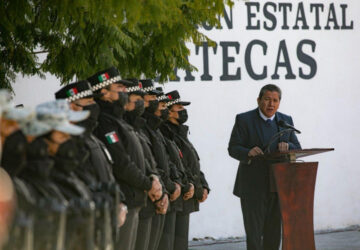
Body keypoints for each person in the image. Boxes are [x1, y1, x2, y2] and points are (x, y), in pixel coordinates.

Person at [88, 67, 162, 250]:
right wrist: (148, 184)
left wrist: (153, 178)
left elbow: (140, 156)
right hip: (124, 199)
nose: (124, 92)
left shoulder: (119, 120)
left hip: (135, 198)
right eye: (119, 88)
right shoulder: (106, 122)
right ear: (104, 93)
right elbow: (121, 163)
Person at [227, 84, 301, 250]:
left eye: (275, 100)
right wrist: (248, 152)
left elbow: (297, 146)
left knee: (274, 233)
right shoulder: (244, 120)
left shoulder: (285, 121)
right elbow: (233, 148)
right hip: (253, 187)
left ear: (279, 103)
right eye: (267, 99)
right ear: (259, 100)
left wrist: (288, 145)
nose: (271, 104)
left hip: (278, 185)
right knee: (254, 234)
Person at [55, 80, 127, 249]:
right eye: (89, 102)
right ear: (72, 106)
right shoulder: (66, 142)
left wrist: (119, 202)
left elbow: (107, 174)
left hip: (105, 221)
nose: (95, 106)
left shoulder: (91, 138)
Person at [163, 90, 210, 250]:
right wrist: (191, 186)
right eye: (179, 108)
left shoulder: (181, 133)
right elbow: (178, 165)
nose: (183, 111)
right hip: (179, 195)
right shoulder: (166, 133)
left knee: (181, 244)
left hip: (187, 197)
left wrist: (204, 186)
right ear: (168, 112)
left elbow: (193, 163)